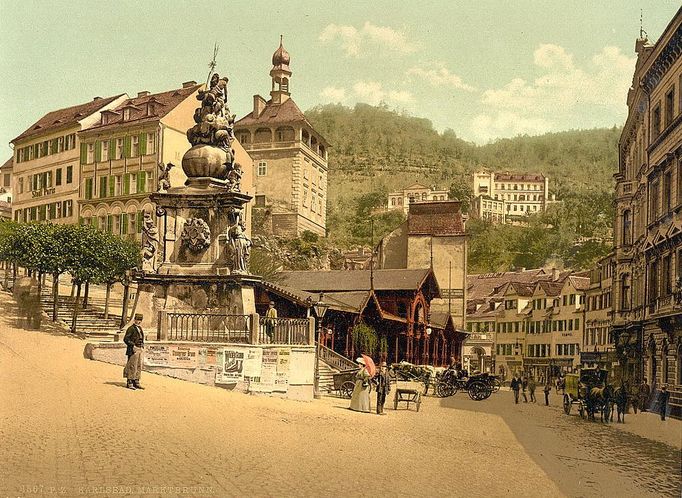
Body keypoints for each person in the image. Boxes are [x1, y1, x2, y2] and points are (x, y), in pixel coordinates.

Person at [123, 313, 145, 390]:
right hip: (133, 349)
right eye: (137, 320)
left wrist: (142, 345)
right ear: (134, 319)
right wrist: (133, 346)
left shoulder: (140, 328)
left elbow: (141, 338)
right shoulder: (131, 328)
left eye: (140, 320)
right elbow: (126, 339)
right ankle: (129, 382)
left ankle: (136, 381)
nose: (138, 321)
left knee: (138, 366)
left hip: (139, 349)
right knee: (132, 366)